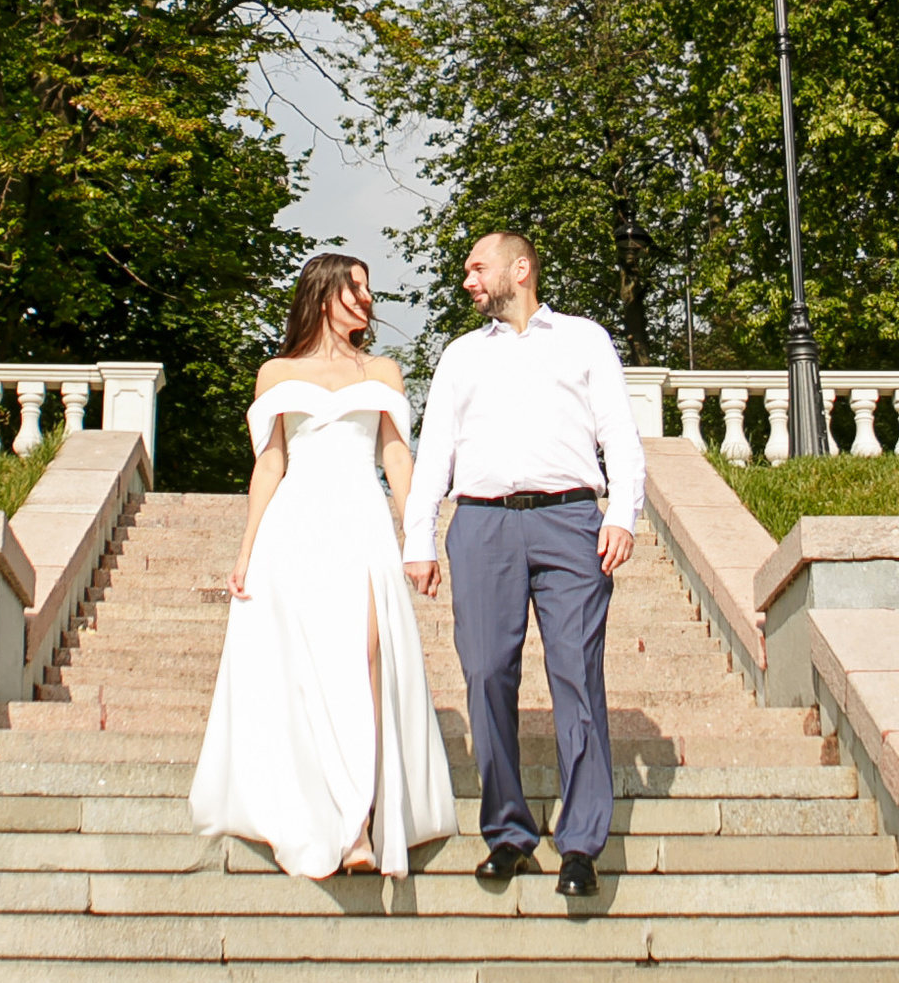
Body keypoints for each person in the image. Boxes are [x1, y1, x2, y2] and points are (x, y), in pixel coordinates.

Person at [189, 251, 455, 881]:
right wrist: (247, 551)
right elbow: (271, 463)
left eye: (369, 289)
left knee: (366, 656)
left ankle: (360, 816)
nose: (366, 300)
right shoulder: (276, 372)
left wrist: (420, 537)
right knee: (306, 668)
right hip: (295, 525)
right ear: (323, 293)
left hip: (360, 517)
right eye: (355, 289)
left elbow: (396, 459)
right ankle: (334, 821)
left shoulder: (383, 371)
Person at [403, 230, 644, 906]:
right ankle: (507, 831)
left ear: (521, 267)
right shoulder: (459, 357)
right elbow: (435, 451)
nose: (467, 281)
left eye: (477, 268)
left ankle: (581, 843)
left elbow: (617, 431)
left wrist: (622, 511)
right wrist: (418, 537)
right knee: (484, 673)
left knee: (575, 671)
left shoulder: (583, 339)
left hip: (570, 521)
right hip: (480, 524)